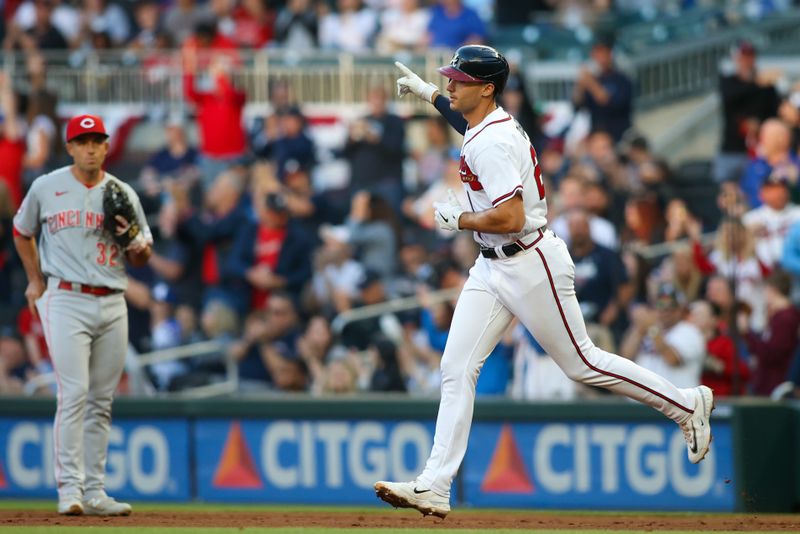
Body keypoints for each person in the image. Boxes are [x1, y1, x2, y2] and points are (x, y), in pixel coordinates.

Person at [377, 46, 714, 518]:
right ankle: (435, 484)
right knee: (456, 368)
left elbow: (511, 215)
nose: (451, 84)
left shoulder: (492, 141)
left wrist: (461, 219)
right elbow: (467, 125)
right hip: (493, 266)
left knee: (583, 364)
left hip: (529, 261)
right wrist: (429, 94)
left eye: (458, 79)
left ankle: (686, 405)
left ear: (487, 87)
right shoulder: (487, 123)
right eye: (449, 78)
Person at [12, 114, 152, 516]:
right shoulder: (47, 186)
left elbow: (144, 255)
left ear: (107, 146)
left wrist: (133, 243)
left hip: (112, 299)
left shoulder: (123, 192)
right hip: (66, 297)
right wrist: (35, 280)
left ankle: (94, 492)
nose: (91, 148)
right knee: (73, 393)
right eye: (82, 141)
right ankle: (69, 489)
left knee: (101, 401)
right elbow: (22, 231)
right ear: (70, 147)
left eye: (97, 141)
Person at [571, 38, 633, 143]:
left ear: (610, 55)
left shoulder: (621, 79)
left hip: (618, 136)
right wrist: (580, 86)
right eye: (595, 55)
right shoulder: (592, 80)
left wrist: (590, 82)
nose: (598, 58)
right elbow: (577, 105)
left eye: (601, 54)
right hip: (596, 136)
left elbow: (605, 100)